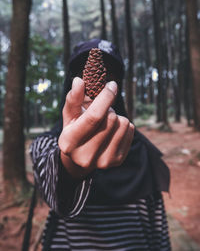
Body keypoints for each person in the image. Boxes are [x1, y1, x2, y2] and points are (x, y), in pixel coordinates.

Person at [30, 38, 171, 251]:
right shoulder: (47, 143)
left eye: (108, 74)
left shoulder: (141, 149)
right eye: (82, 72)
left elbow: (157, 224)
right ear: (71, 83)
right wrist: (72, 165)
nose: (94, 83)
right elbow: (51, 180)